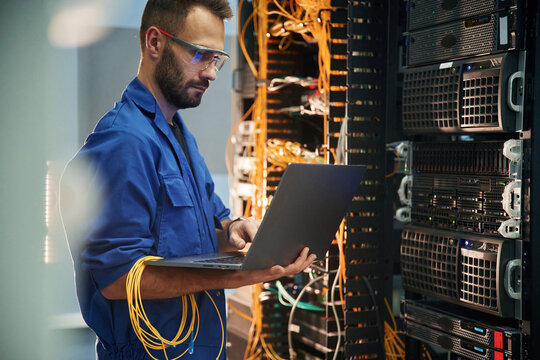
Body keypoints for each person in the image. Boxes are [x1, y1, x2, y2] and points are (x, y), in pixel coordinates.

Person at [60, 0, 317, 359]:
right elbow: (120, 280)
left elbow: (194, 236)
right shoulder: (125, 143)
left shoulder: (179, 136)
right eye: (200, 55)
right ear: (154, 43)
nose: (211, 73)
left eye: (217, 60)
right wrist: (242, 276)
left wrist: (234, 231)